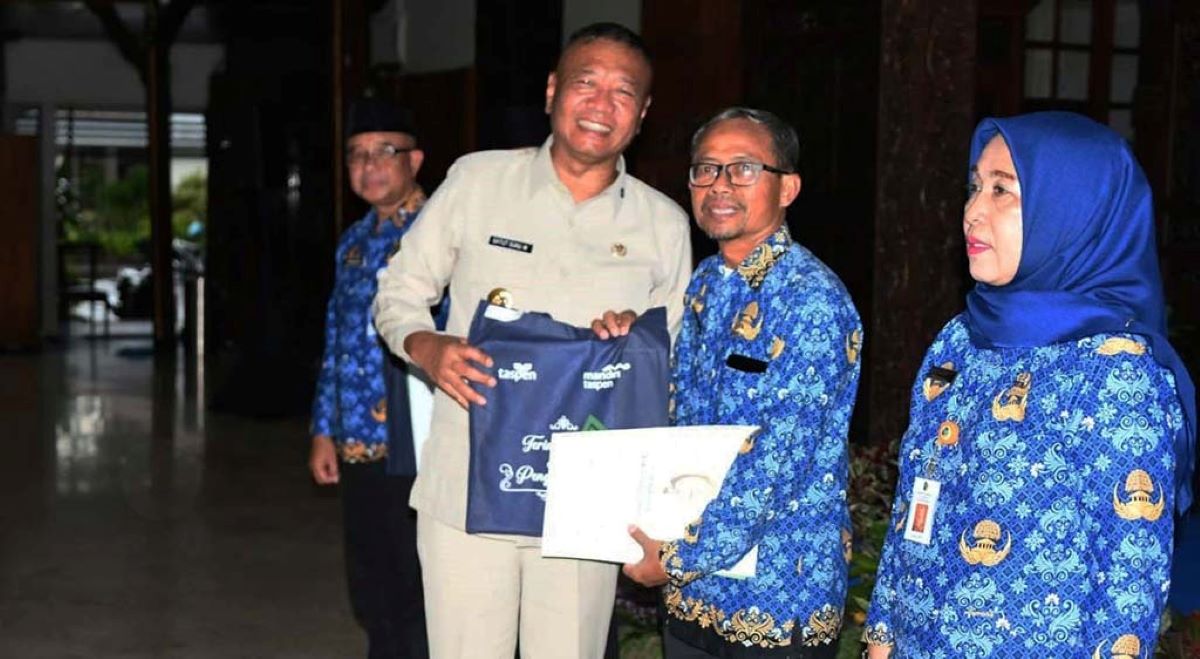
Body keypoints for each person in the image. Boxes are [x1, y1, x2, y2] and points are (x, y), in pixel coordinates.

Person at [371, 22, 692, 659]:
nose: (601, 105)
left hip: (586, 506)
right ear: (552, 91)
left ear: (642, 114)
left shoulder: (663, 224)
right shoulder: (478, 181)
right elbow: (398, 291)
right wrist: (426, 346)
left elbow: (674, 370)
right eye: (586, 83)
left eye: (623, 92)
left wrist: (637, 342)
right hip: (467, 489)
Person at [862, 111, 1196, 658]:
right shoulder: (959, 340)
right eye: (974, 187)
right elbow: (912, 510)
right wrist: (880, 639)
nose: (973, 211)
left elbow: (1127, 581)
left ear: (1071, 211)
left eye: (1002, 191)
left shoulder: (1115, 371)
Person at [622, 107, 863, 658]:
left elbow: (777, 460)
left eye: (744, 169)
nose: (720, 185)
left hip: (776, 593)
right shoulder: (706, 282)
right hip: (693, 593)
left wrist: (678, 557)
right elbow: (680, 419)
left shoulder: (810, 299)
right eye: (706, 169)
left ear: (788, 188)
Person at [308, 97, 431, 659]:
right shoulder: (353, 242)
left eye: (385, 151)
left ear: (415, 160)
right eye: (357, 155)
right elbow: (336, 342)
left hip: (417, 442)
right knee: (370, 581)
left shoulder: (439, 234)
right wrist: (323, 429)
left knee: (416, 584)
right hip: (358, 442)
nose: (369, 165)